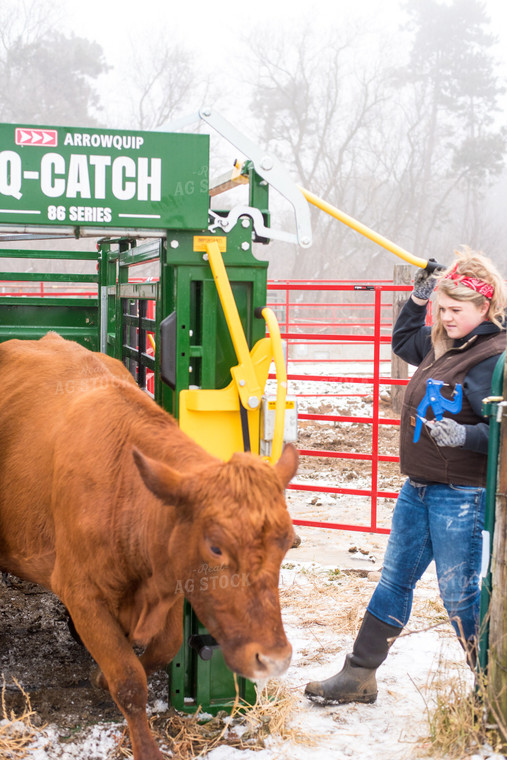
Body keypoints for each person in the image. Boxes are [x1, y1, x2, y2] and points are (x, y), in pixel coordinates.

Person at [305, 246, 507, 705]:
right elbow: (402, 341)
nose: (445, 316)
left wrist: (466, 437)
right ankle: (358, 674)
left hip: (461, 494)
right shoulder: (446, 344)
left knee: (458, 596)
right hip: (420, 487)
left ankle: (495, 687)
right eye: (441, 307)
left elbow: (501, 431)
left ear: (485, 307)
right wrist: (417, 301)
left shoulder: (496, 359)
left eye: (456, 310)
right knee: (394, 579)